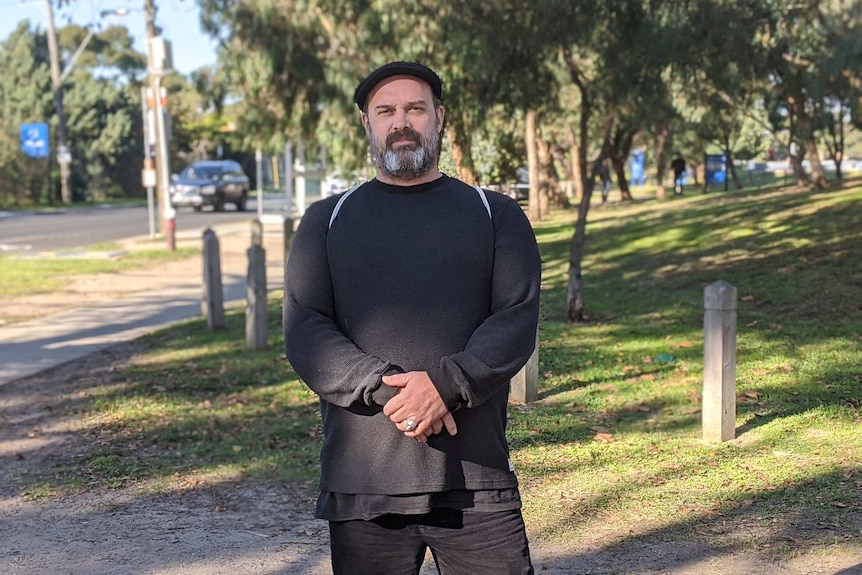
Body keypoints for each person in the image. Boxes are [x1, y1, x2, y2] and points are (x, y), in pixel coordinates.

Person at [283, 61, 542, 575]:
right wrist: (391, 391)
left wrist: (446, 385)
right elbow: (306, 331)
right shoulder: (325, 222)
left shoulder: (495, 214)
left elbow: (515, 320)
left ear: (439, 117)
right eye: (385, 111)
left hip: (475, 477)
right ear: (367, 123)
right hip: (366, 480)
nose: (401, 121)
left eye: (415, 108)